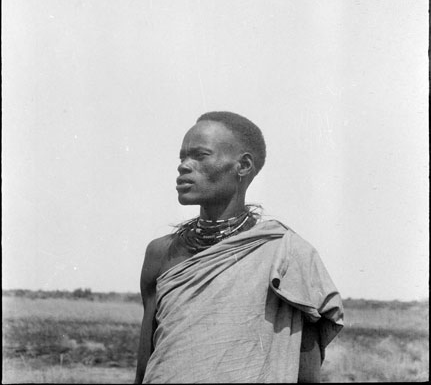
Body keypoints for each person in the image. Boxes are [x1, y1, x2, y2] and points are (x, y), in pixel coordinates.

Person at [134, 111, 343, 384]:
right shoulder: (161, 253)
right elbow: (146, 367)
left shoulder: (287, 254)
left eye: (200, 155)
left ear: (243, 166)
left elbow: (305, 375)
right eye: (183, 156)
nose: (184, 166)